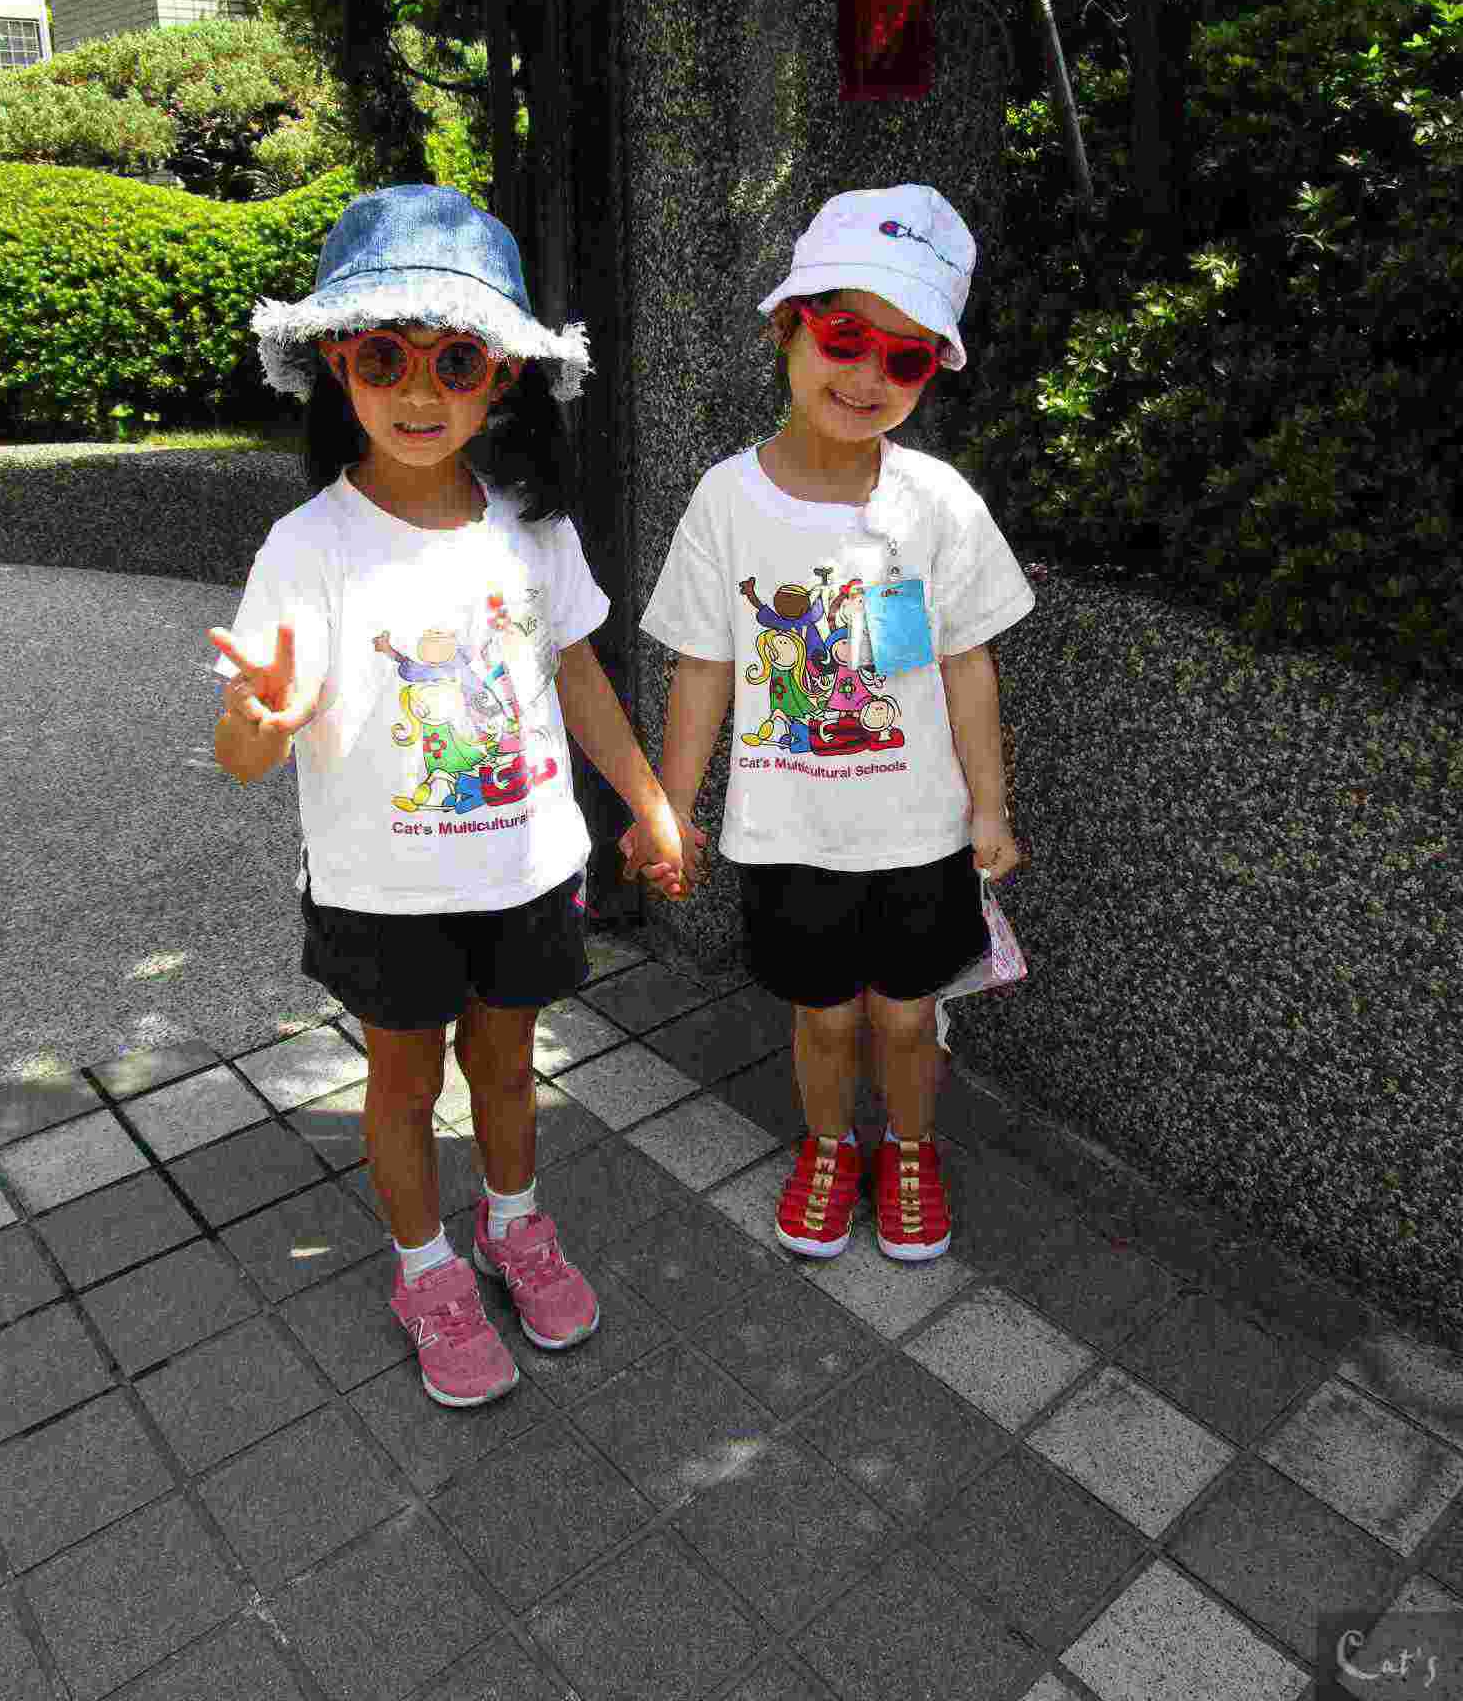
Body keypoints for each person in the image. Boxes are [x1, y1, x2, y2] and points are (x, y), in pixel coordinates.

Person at [210, 184, 685, 1407]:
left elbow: (577, 672)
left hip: (525, 871)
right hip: (383, 893)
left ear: (503, 377)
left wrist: (647, 798)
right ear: (337, 364)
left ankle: (513, 1223)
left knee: (512, 1068)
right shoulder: (308, 546)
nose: (420, 392)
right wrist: (256, 724)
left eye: (456, 360)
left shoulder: (533, 528)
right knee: (408, 1084)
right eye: (385, 357)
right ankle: (425, 1268)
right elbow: (246, 751)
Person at [641, 186, 1034, 1261]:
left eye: (905, 358)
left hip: (922, 832)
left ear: (931, 372)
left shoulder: (937, 501)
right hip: (787, 833)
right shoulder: (726, 500)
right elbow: (704, 664)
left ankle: (909, 1148)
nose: (867, 377)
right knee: (821, 1016)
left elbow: (967, 661)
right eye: (846, 337)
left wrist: (990, 807)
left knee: (906, 1017)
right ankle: (827, 1146)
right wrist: (672, 806)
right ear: (790, 326)